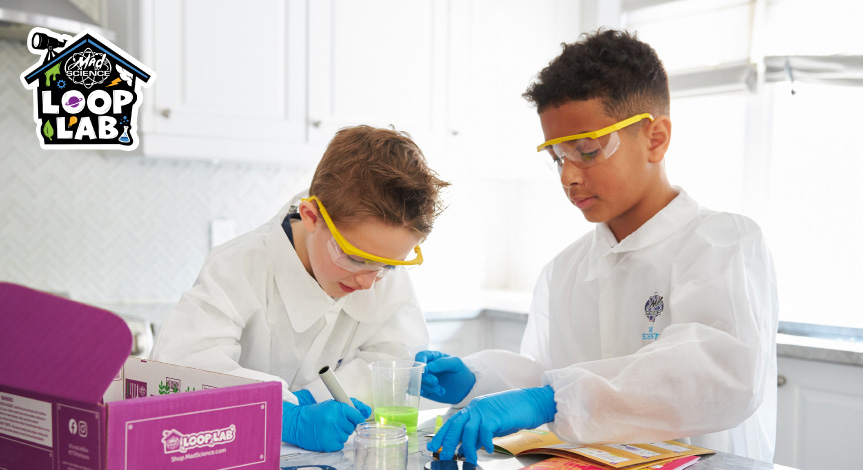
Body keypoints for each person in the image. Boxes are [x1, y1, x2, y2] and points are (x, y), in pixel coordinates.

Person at [418, 29, 778, 465]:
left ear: (656, 138)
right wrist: (475, 380)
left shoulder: (722, 243)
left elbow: (718, 374)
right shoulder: (565, 269)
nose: (568, 176)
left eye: (587, 151)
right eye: (557, 157)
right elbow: (547, 375)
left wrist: (551, 399)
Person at [150, 125, 449, 452]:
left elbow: (394, 358)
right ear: (311, 216)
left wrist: (311, 398)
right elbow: (178, 369)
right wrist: (281, 415)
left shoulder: (380, 272)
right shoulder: (238, 266)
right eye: (354, 258)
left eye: (388, 265)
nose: (368, 282)